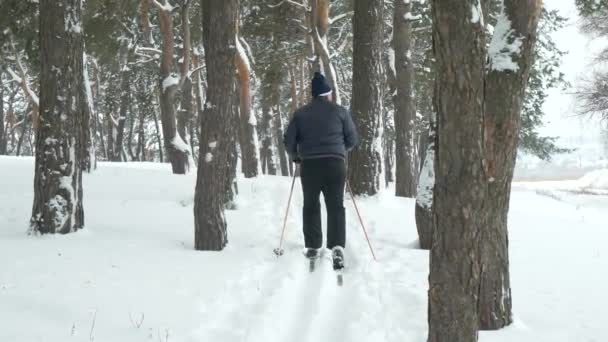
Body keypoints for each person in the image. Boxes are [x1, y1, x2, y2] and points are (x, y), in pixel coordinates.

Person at [283, 72, 359, 270]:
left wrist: (295, 156)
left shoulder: (300, 114)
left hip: (310, 166)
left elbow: (289, 141)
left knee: (310, 205)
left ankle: (313, 246)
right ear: (327, 94)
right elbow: (352, 139)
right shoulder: (341, 112)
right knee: (335, 206)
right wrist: (341, 150)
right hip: (335, 164)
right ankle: (336, 248)